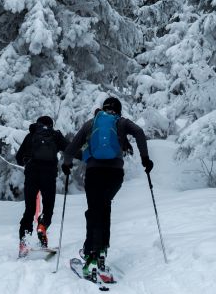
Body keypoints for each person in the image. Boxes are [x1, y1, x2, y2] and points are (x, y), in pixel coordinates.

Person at [62, 96, 153, 282]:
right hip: (115, 175)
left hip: (94, 173)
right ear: (118, 110)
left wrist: (67, 164)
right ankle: (101, 253)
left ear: (103, 109)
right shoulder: (121, 122)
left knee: (94, 212)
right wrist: (145, 159)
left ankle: (91, 258)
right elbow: (140, 132)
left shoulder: (92, 123)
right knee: (105, 208)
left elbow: (71, 148)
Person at [16, 115, 67, 256]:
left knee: (29, 209)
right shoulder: (55, 135)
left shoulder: (31, 135)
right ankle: (42, 226)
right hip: (49, 175)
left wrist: (26, 161)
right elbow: (69, 149)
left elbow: (19, 157)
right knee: (48, 206)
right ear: (51, 124)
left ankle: (24, 242)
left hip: (32, 174)